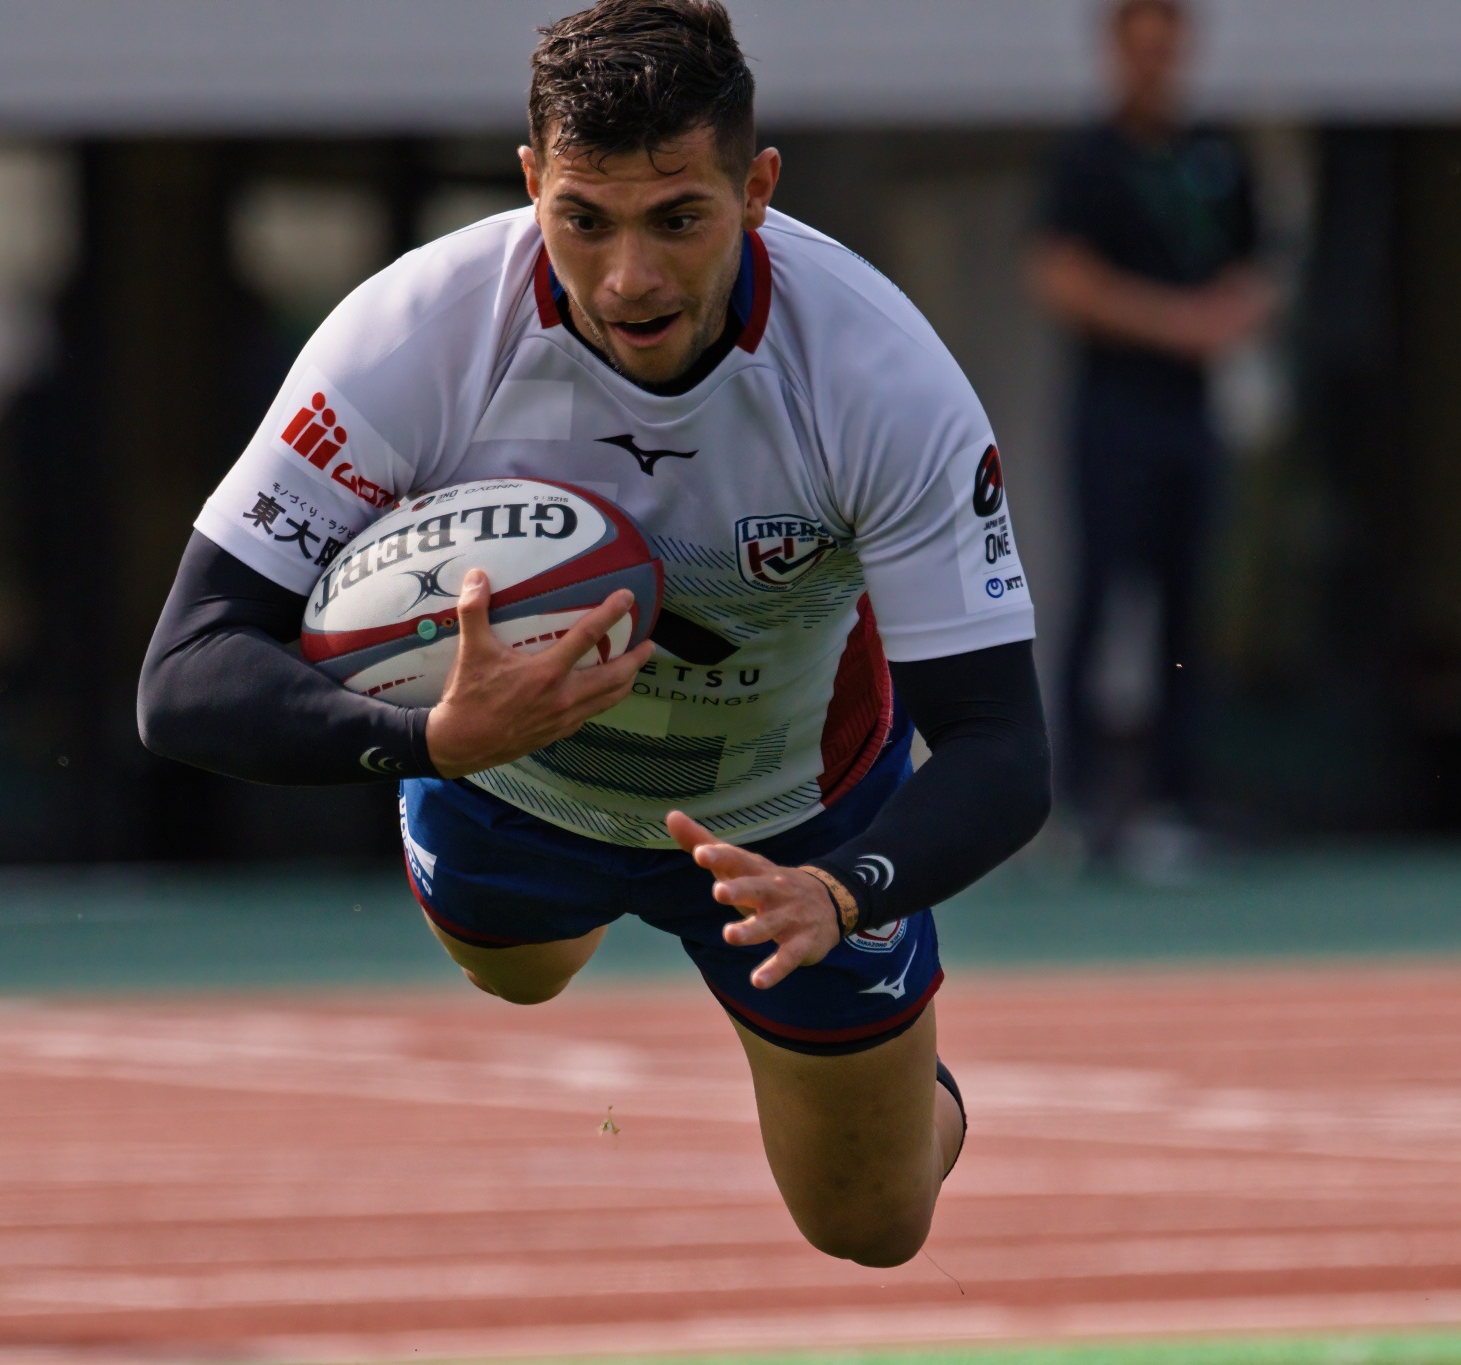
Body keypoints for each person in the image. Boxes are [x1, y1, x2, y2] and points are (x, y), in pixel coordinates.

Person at [138, 0, 1049, 1267]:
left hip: (787, 825)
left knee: (872, 1226)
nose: (629, 278)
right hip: (504, 782)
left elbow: (1002, 745)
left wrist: (843, 890)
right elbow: (184, 675)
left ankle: (907, 1099)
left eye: (677, 218)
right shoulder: (411, 336)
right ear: (529, 184)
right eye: (584, 220)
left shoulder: (880, 379)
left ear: (757, 191)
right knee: (517, 974)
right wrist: (431, 737)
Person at [1028, 0, 1272, 865]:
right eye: (1139, 50)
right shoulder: (1087, 156)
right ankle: (1079, 803)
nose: (1154, 66)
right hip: (1115, 408)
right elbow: (1061, 277)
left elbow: (1258, 266)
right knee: (1101, 594)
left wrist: (1232, 318)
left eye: (1166, 50)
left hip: (1192, 412)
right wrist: (1176, 323)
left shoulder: (1216, 151)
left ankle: (1178, 798)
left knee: (1188, 605)